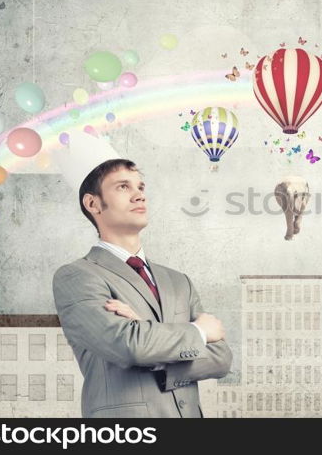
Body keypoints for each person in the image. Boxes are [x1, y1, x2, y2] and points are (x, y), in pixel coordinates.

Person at [52, 157, 232, 418]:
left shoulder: (178, 281)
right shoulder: (77, 276)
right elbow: (127, 346)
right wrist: (198, 331)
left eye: (141, 187)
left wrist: (148, 336)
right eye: (123, 187)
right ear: (93, 203)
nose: (139, 196)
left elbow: (221, 358)